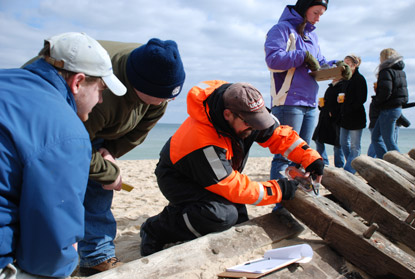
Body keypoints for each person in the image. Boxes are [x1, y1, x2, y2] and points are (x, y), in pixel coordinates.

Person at [139, 80, 324, 256]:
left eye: (258, 120)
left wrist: (311, 157)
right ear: (228, 114)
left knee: (237, 219)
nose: (255, 127)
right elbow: (231, 186)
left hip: (214, 173)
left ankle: (189, 213)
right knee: (221, 216)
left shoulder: (247, 112)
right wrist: (279, 189)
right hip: (178, 178)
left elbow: (278, 135)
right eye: (250, 123)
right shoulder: (204, 142)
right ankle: (155, 229)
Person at [0, 32, 126, 278]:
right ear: (78, 82)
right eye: (100, 89)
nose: (101, 100)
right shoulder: (66, 131)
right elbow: (51, 245)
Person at [77, 38, 186, 276]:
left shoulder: (160, 86)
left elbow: (140, 130)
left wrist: (111, 152)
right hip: (74, 125)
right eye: (161, 96)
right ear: (136, 86)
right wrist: (108, 172)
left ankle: (96, 258)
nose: (168, 101)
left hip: (99, 132)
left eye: (170, 96)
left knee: (99, 186)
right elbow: (73, 146)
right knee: (73, 186)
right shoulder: (97, 92)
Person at [264, 0, 351, 180]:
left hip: (310, 101)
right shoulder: (281, 29)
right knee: (284, 156)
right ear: (305, 9)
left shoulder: (313, 36)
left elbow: (319, 63)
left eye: (321, 14)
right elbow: (273, 60)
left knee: (303, 156)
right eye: (316, 12)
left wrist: (337, 66)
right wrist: (302, 55)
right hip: (289, 102)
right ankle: (280, 206)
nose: (318, 18)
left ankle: (294, 202)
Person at [371, 48, 408, 158]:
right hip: (396, 108)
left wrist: (377, 101)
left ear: (383, 58)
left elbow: (386, 91)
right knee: (376, 137)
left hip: (388, 108)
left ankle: (399, 162)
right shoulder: (401, 71)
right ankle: (386, 161)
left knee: (387, 139)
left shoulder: (386, 71)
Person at [338, 54, 367, 173]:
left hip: (356, 117)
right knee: (343, 143)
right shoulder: (344, 80)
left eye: (348, 63)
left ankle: (349, 170)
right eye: (344, 63)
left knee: (355, 146)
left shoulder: (360, 79)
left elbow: (362, 99)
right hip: (344, 117)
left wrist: (349, 107)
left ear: (355, 65)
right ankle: (352, 165)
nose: (345, 65)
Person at [312, 78, 345, 167]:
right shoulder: (330, 87)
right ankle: (324, 163)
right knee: (318, 139)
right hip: (324, 117)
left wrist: (334, 112)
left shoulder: (342, 86)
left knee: (337, 143)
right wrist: (321, 106)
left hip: (336, 119)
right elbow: (327, 102)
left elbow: (342, 103)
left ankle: (339, 165)